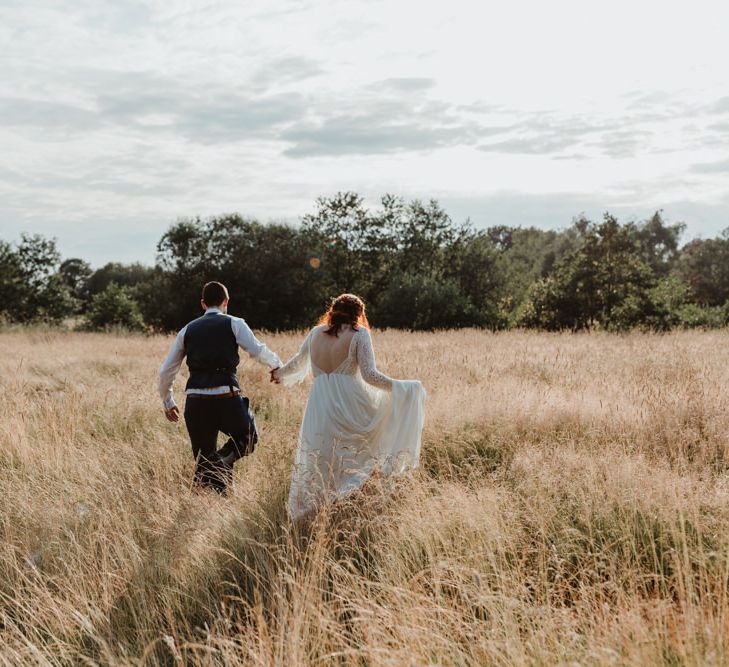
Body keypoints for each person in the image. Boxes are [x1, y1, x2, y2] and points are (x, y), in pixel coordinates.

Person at [272, 293, 426, 519]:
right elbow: (370, 375)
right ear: (359, 314)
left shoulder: (315, 333)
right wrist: (402, 387)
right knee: (358, 453)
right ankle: (344, 508)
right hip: (349, 403)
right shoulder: (359, 334)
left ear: (333, 311)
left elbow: (297, 361)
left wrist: (279, 374)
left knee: (322, 455)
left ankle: (321, 509)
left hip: (319, 403)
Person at [159, 281, 281, 494]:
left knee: (204, 460)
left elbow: (166, 371)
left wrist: (168, 401)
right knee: (248, 438)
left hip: (196, 402)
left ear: (203, 304)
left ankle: (211, 495)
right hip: (226, 398)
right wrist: (277, 366)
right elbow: (257, 350)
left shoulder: (187, 330)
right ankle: (222, 464)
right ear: (226, 302)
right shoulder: (235, 323)